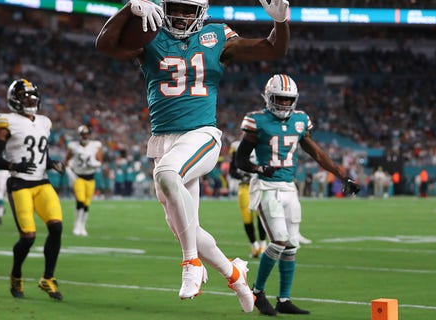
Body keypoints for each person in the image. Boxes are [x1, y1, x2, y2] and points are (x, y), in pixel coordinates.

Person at [96, 0, 290, 313]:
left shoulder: (216, 37)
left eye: (189, 9)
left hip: (201, 135)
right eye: (176, 7)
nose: (182, 15)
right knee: (185, 226)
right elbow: (105, 45)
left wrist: (281, 22)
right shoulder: (152, 36)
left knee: (167, 176)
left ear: (200, 12)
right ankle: (235, 275)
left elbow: (272, 49)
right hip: (163, 141)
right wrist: (128, 8)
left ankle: (190, 263)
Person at [234, 74, 360, 316]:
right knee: (279, 240)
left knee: (291, 246)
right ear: (269, 98)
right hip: (266, 187)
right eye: (279, 99)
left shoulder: (300, 120)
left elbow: (317, 154)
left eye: (287, 100)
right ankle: (258, 292)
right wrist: (259, 168)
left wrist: (343, 176)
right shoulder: (256, 121)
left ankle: (284, 299)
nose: (283, 104)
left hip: (289, 188)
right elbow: (240, 159)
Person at [0, 79, 66, 301]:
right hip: (19, 183)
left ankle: (47, 278)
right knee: (28, 237)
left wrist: (51, 163)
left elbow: (41, 152)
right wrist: (14, 166)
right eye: (25, 96)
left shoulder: (44, 122)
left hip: (41, 182)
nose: (30, 99)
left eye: (32, 95)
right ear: (15, 99)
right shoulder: (6, 121)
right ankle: (16, 275)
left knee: (57, 227)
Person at [228, 143, 267, 258]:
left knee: (261, 216)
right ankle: (254, 246)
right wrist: (241, 177)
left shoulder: (262, 143)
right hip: (244, 187)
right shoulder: (236, 145)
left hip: (259, 186)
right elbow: (232, 170)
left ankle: (263, 245)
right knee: (247, 218)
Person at [63, 124, 103, 236]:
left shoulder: (96, 145)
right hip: (78, 177)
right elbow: (66, 161)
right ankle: (77, 224)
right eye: (82, 134)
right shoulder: (73, 146)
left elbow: (100, 161)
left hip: (90, 178)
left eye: (86, 134)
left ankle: (83, 225)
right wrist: (70, 172)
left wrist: (94, 164)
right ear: (79, 135)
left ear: (89, 134)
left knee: (86, 203)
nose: (84, 136)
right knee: (80, 201)